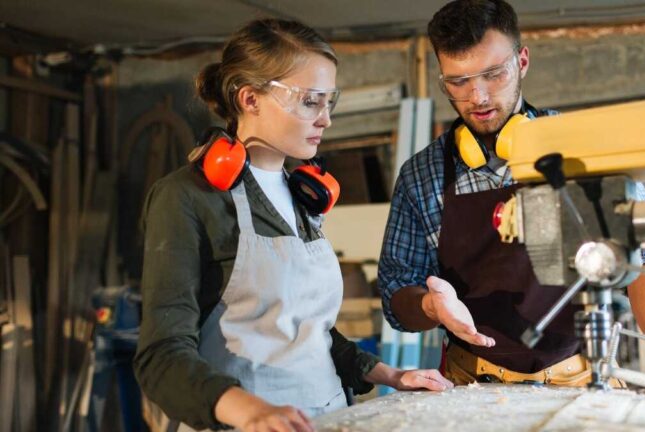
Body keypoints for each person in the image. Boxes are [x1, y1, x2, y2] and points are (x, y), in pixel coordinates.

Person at [378, 0, 645, 424]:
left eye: (493, 74)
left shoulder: (583, 152)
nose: (478, 96)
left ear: (522, 60)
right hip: (468, 389)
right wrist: (431, 305)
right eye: (459, 81)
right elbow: (397, 294)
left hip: (581, 381)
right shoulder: (421, 176)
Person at [134, 18, 452, 432]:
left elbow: (307, 333)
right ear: (249, 99)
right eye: (309, 102)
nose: (325, 120)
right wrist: (249, 410)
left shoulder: (301, 196)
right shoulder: (187, 197)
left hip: (329, 417)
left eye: (329, 102)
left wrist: (386, 374)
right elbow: (161, 356)